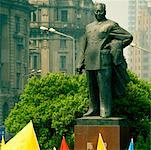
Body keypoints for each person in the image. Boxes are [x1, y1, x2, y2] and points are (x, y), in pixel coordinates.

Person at [76, 3, 133, 117]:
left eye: (100, 11)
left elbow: (128, 37)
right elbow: (84, 45)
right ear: (94, 12)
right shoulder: (89, 27)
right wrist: (80, 62)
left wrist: (114, 45)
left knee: (104, 86)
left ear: (105, 11)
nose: (98, 13)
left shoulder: (111, 25)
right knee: (92, 87)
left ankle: (105, 109)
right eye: (96, 11)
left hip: (103, 59)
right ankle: (93, 108)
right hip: (89, 60)